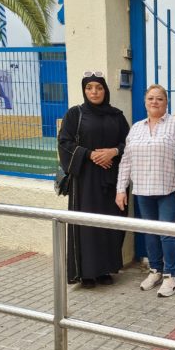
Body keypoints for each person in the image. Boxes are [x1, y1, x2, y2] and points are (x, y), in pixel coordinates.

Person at [58, 71, 130, 289]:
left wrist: (113, 152)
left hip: (111, 180)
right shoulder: (75, 114)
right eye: (89, 88)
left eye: (98, 88)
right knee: (87, 226)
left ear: (105, 90)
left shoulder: (116, 115)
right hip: (85, 182)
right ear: (84, 90)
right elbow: (64, 143)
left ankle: (105, 269)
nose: (94, 92)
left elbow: (129, 143)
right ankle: (87, 273)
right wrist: (90, 155)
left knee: (109, 225)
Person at [115, 84, 175, 297]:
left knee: (166, 233)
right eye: (151, 98)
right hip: (142, 190)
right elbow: (126, 160)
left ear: (166, 102)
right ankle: (155, 270)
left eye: (159, 99)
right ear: (145, 102)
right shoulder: (136, 127)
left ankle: (172, 276)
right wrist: (121, 189)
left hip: (168, 189)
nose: (155, 102)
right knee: (150, 233)